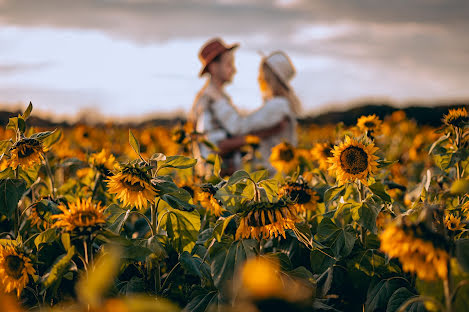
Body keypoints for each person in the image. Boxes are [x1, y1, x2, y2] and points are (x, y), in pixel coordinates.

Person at [190, 38, 287, 176]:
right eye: (229, 64)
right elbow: (216, 146)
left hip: (225, 181)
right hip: (215, 184)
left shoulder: (219, 98)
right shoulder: (208, 101)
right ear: (213, 67)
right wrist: (265, 133)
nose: (234, 70)